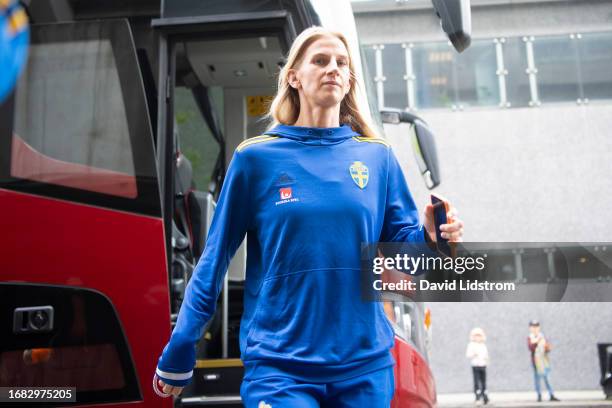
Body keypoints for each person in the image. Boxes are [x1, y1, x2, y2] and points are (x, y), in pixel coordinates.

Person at [154, 26, 464, 406]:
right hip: (280, 370)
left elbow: (407, 262)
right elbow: (213, 260)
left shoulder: (377, 158)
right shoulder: (255, 159)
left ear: (349, 80)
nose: (333, 68)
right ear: (293, 76)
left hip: (364, 369)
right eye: (320, 60)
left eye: (341, 63)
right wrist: (182, 342)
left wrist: (433, 238)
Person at [528, 320, 560, 402]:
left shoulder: (542, 336)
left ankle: (551, 394)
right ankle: (539, 395)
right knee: (537, 378)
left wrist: (547, 347)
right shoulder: (530, 337)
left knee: (547, 378)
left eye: (536, 327)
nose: (535, 328)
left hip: (544, 360)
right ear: (530, 328)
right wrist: (537, 342)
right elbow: (531, 348)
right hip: (536, 361)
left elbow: (546, 347)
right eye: (533, 327)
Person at [466, 327, 489, 405]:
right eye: (476, 336)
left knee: (483, 381)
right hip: (475, 365)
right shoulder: (471, 345)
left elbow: (486, 354)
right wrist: (473, 354)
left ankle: (485, 395)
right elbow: (468, 355)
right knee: (476, 381)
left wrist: (486, 359)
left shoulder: (483, 345)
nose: (477, 338)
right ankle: (477, 396)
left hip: (483, 365)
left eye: (479, 336)